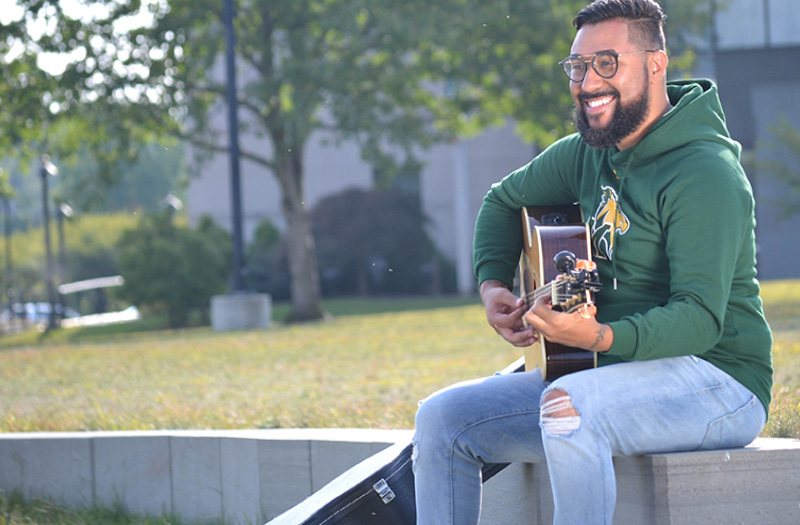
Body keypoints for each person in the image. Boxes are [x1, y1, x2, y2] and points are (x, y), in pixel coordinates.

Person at [411, 0, 773, 523]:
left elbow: (699, 320)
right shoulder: (587, 152)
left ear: (655, 64)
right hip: (605, 375)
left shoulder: (706, 174)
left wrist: (598, 338)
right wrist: (494, 287)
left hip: (718, 381)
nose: (587, 82)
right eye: (578, 67)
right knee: (442, 418)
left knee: (568, 404)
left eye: (607, 63)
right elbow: (501, 201)